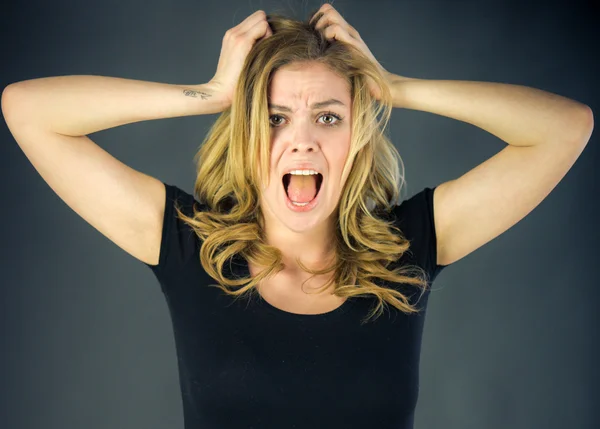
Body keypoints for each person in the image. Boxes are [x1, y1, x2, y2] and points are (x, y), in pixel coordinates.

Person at [2, 4, 592, 429]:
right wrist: (208, 93)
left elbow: (565, 128)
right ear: (248, 131)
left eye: (329, 117)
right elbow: (28, 110)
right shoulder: (190, 247)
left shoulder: (407, 249)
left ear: (357, 135)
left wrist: (393, 86)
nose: (302, 141)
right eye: (276, 117)